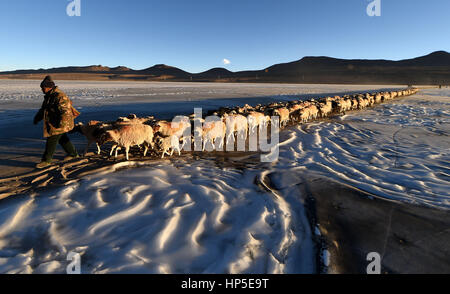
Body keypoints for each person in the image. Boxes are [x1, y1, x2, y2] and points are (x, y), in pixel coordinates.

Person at [33, 76, 80, 168]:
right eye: (41, 88)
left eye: (43, 88)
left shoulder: (59, 96)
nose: (42, 89)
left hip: (61, 122)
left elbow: (65, 111)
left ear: (49, 87)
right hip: (55, 121)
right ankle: (73, 154)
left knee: (52, 139)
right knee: (62, 138)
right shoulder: (49, 96)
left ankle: (46, 160)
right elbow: (44, 109)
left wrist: (62, 124)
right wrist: (37, 117)